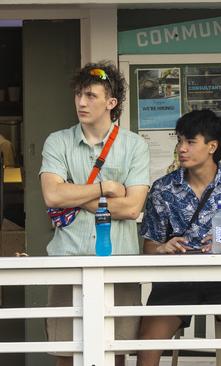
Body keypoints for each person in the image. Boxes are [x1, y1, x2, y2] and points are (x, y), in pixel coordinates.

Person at [39, 61, 150, 366]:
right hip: (68, 261)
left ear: (111, 103)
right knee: (66, 352)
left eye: (90, 95)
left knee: (114, 353)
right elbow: (52, 194)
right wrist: (105, 188)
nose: (81, 102)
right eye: (78, 95)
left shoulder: (134, 145)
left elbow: (131, 207)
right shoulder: (57, 141)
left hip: (118, 263)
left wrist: (75, 195)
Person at [138, 109, 221, 366]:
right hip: (176, 279)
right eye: (179, 141)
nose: (181, 148)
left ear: (212, 146)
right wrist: (163, 248)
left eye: (190, 142)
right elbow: (149, 246)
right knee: (147, 345)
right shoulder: (163, 188)